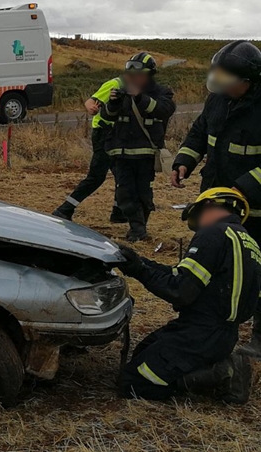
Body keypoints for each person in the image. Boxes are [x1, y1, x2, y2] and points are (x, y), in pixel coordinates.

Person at [116, 188, 259, 403]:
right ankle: (211, 367)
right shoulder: (249, 242)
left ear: (209, 206)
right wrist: (140, 262)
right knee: (143, 352)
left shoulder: (213, 234)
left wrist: (138, 270)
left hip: (199, 334)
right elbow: (181, 275)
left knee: (133, 383)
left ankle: (222, 373)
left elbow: (181, 291)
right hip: (222, 334)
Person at [169, 40, 261, 357]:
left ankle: (259, 338)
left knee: (254, 271)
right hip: (214, 203)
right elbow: (199, 133)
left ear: (248, 81)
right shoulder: (217, 100)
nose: (219, 84)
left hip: (255, 210)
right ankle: (205, 328)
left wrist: (243, 189)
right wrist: (184, 160)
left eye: (227, 80)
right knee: (209, 266)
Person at [99, 53, 176, 241]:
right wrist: (114, 103)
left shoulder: (162, 93)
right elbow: (107, 117)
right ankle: (137, 229)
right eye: (131, 75)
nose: (134, 78)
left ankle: (139, 229)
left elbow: (165, 110)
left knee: (143, 193)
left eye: (139, 74)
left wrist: (140, 98)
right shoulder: (123, 92)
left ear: (150, 75)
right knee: (124, 193)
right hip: (121, 153)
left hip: (146, 154)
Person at [52, 78, 124, 222]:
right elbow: (90, 101)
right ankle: (64, 209)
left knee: (122, 175)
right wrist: (92, 108)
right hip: (104, 133)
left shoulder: (140, 87)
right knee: (97, 176)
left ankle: (119, 213)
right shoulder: (115, 84)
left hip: (118, 135)